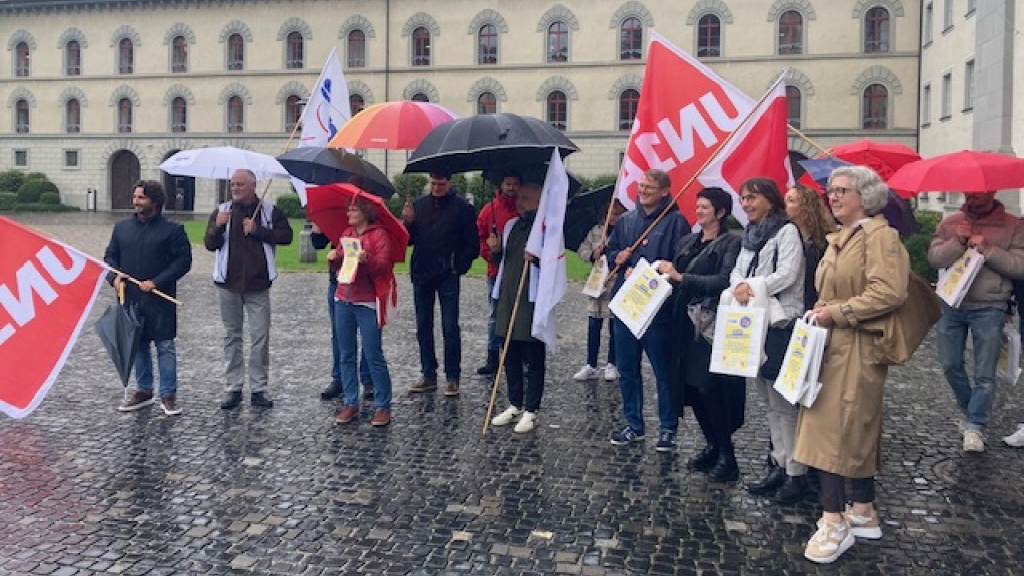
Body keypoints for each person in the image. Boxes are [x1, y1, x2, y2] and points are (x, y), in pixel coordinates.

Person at [794, 165, 909, 564]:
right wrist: (825, 310)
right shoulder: (842, 237)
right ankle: (862, 509)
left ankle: (833, 521)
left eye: (843, 190)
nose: (833, 195)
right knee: (848, 426)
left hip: (858, 345)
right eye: (831, 190)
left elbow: (889, 292)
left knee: (833, 430)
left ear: (866, 196)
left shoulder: (881, 238)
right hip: (833, 343)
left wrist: (838, 311)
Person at [729, 177, 808, 503]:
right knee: (767, 401)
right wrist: (739, 286)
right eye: (743, 198)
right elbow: (737, 270)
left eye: (752, 198)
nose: (746, 204)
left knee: (784, 404)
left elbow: (788, 274)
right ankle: (778, 462)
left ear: (770, 200)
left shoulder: (786, 231)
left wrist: (752, 288)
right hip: (754, 322)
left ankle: (796, 472)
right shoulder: (750, 234)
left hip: (780, 323)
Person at [656, 187, 743, 481]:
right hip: (683, 323)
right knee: (692, 390)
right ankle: (712, 445)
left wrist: (683, 277)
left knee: (709, 388)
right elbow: (675, 273)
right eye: (698, 206)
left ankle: (727, 455)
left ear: (721, 212)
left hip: (710, 326)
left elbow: (724, 280)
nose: (699, 211)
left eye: (705, 207)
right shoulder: (689, 240)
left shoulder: (731, 242)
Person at [928, 189, 1024, 452]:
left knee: (985, 372)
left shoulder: (1012, 226)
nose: (972, 196)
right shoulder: (951, 223)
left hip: (989, 306)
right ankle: (971, 410)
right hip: (952, 304)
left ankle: (975, 426)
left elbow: (1019, 266)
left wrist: (988, 248)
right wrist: (957, 241)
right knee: (950, 364)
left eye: (978, 193)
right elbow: (934, 257)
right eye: (969, 192)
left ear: (992, 191)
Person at [605, 169, 690, 450]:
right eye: (641, 185)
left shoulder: (676, 222)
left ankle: (668, 428)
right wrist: (618, 257)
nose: (643, 190)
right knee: (627, 369)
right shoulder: (627, 219)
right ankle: (634, 423)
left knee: (663, 371)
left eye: (649, 187)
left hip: (658, 310)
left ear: (665, 191)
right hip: (627, 306)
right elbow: (612, 252)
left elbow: (681, 260)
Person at [204, 168, 294, 409]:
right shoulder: (222, 211)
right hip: (227, 284)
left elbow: (286, 236)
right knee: (232, 336)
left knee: (260, 336)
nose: (235, 188)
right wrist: (218, 227)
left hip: (257, 284)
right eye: (233, 184)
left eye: (240, 185)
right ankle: (233, 386)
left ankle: (258, 388)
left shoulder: (267, 211)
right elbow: (209, 244)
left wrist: (259, 231)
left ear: (253, 186)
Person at [104, 180, 192, 415]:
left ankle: (168, 394)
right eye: (134, 197)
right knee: (139, 345)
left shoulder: (173, 230)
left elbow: (183, 262)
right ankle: (144, 390)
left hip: (160, 299)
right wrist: (113, 277)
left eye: (141, 198)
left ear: (155, 201)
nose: (135, 201)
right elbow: (110, 258)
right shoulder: (122, 229)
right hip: (131, 298)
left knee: (165, 346)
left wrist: (157, 281)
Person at [402, 172, 479, 396]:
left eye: (440, 183)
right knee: (423, 326)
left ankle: (452, 376)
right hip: (423, 271)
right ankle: (428, 374)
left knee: (450, 327)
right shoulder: (419, 206)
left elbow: (472, 243)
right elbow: (407, 240)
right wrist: (407, 223)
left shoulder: (462, 208)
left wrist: (459, 265)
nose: (436, 187)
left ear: (449, 183)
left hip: (448, 273)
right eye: (433, 183)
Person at [330, 196, 398, 426]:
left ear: (365, 212)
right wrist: (334, 259)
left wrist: (366, 260)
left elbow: (383, 265)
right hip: (343, 298)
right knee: (346, 354)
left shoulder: (379, 235)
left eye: (353, 209)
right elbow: (340, 264)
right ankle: (350, 402)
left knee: (373, 354)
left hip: (367, 300)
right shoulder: (347, 233)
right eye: (348, 209)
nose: (348, 213)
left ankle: (383, 405)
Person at [489, 182, 546, 433]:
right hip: (508, 295)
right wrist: (495, 250)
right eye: (519, 198)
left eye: (525, 198)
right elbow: (503, 261)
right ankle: (515, 403)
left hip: (531, 299)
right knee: (509, 352)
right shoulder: (511, 225)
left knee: (533, 355)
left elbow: (554, 267)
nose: (519, 202)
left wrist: (537, 259)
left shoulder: (544, 229)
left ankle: (532, 409)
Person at [311, 225, 373, 402]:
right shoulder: (337, 218)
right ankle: (339, 378)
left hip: (366, 283)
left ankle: (368, 379)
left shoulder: (370, 221)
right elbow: (318, 244)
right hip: (339, 281)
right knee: (339, 334)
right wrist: (317, 229)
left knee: (369, 335)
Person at [573, 199, 625, 382]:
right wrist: (592, 254)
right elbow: (582, 250)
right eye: (611, 213)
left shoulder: (625, 231)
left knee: (614, 325)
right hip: (597, 283)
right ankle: (591, 364)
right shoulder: (596, 231)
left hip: (615, 281)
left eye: (618, 214)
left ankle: (612, 363)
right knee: (594, 323)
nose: (614, 217)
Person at [475, 171, 521, 376]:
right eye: (508, 183)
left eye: (514, 184)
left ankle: (520, 356)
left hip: (519, 271)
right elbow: (480, 237)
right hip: (496, 271)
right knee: (495, 314)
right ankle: (493, 355)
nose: (511, 187)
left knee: (519, 314)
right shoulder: (489, 211)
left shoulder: (524, 209)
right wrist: (490, 251)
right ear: (501, 184)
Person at [785, 183, 835, 310]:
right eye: (785, 200)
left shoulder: (826, 240)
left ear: (806, 206)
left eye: (791, 200)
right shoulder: (784, 235)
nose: (785, 205)